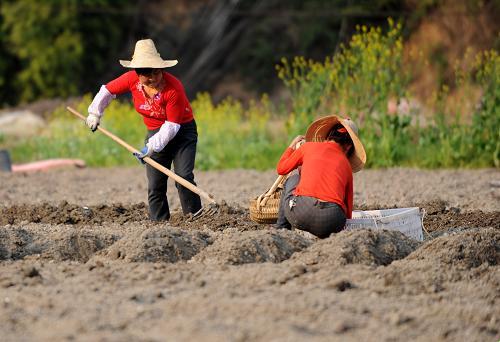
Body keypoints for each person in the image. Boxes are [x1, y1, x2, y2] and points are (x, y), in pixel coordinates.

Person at [85, 39, 202, 221]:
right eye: (147, 74)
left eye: (156, 72)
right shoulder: (131, 80)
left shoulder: (174, 88)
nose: (153, 78)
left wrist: (151, 147)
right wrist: (94, 114)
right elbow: (107, 91)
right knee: (155, 183)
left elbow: (172, 126)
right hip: (155, 132)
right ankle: (159, 224)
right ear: (137, 73)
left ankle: (196, 218)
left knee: (183, 177)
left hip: (182, 133)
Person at [274, 115, 366, 238]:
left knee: (294, 179)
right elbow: (348, 212)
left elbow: (281, 168)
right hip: (333, 221)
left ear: (328, 136)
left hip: (301, 213)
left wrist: (292, 146)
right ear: (349, 146)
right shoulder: (346, 166)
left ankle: (281, 230)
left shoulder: (308, 147)